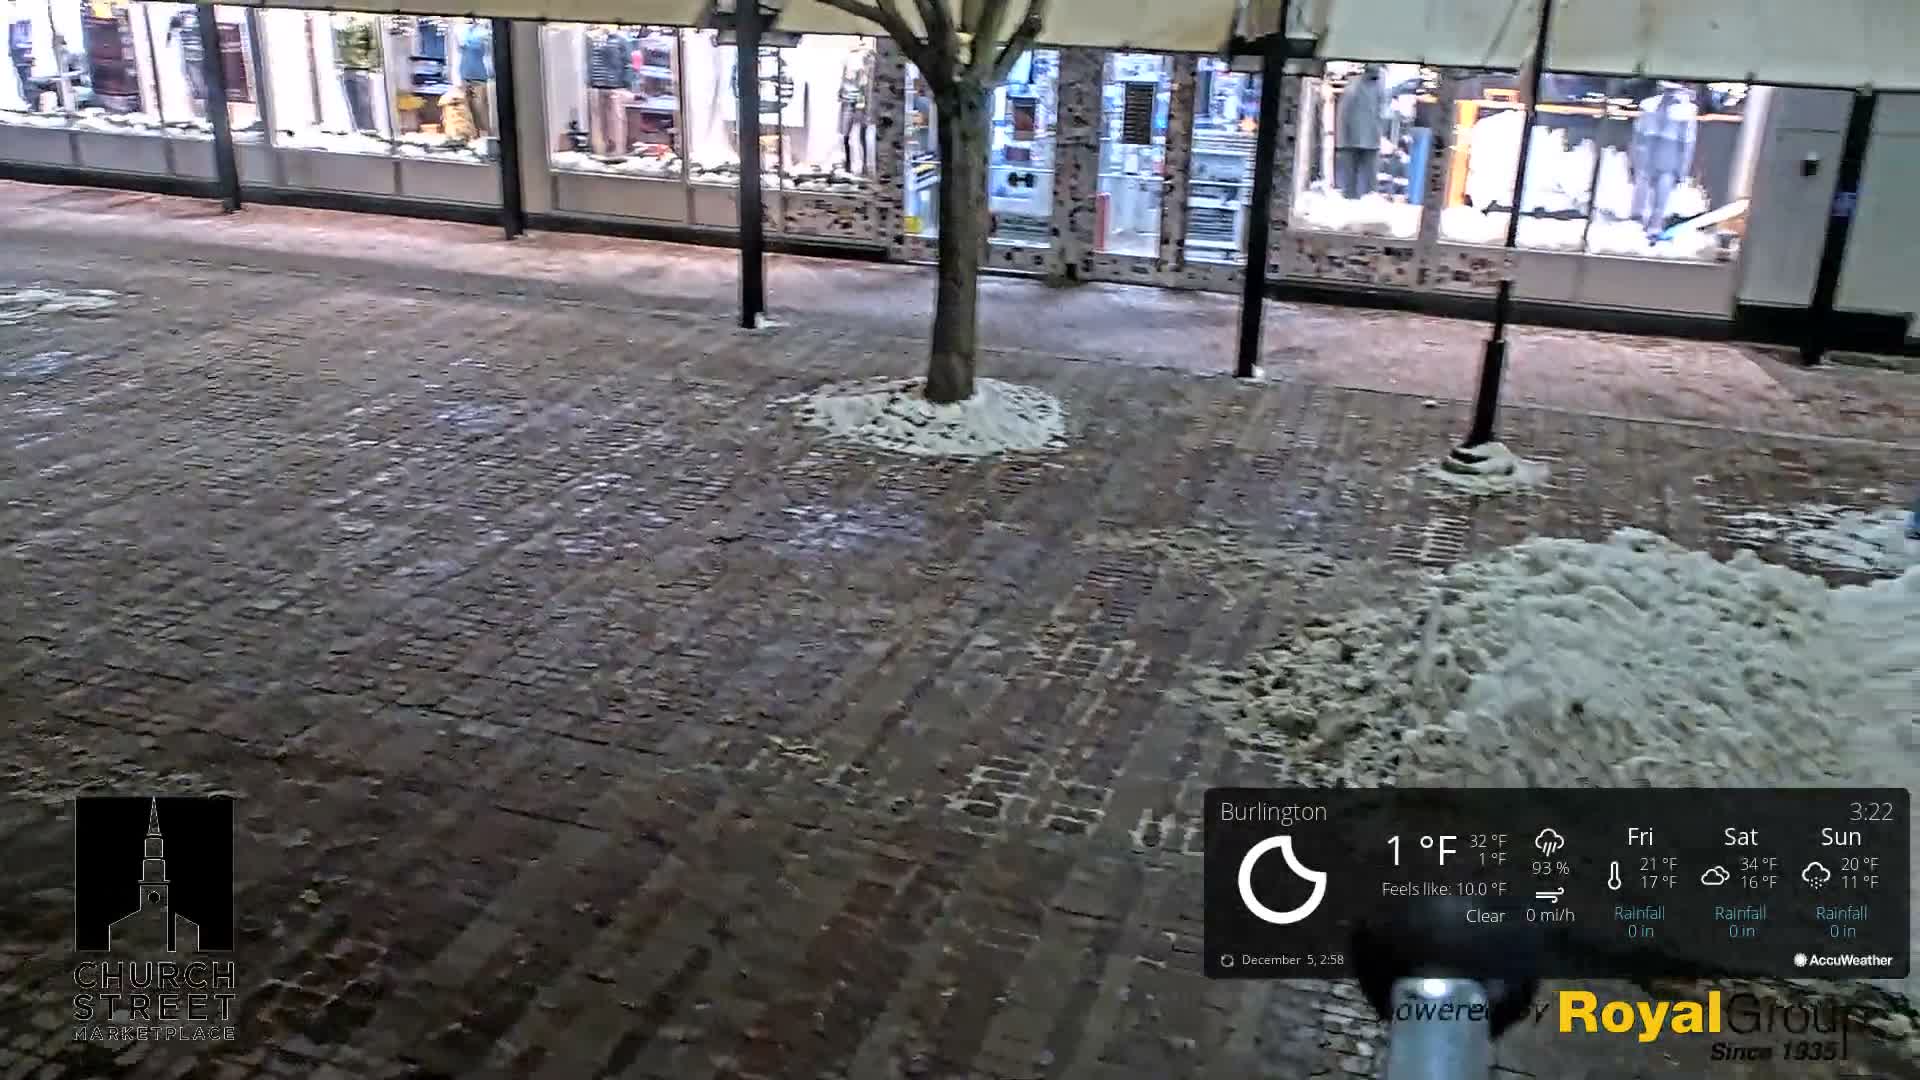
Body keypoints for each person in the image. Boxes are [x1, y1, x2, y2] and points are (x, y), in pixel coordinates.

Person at [1334, 64, 1387, 199]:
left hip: (1357, 139)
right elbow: (1381, 112)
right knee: (1365, 178)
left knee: (1357, 176)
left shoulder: (1354, 85)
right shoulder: (1372, 86)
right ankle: (1362, 199)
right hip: (1361, 139)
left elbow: (1343, 111)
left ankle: (1356, 198)